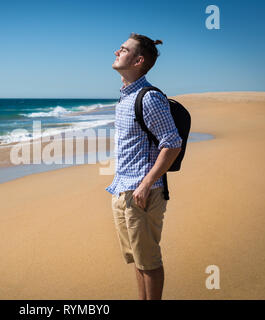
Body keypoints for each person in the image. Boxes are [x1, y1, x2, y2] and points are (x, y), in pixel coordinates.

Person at [106, 33, 182, 300]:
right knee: (138, 261)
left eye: (123, 49)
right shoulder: (125, 97)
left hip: (143, 193)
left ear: (138, 60)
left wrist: (147, 183)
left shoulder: (148, 98)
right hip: (123, 189)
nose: (117, 52)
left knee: (149, 262)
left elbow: (172, 143)